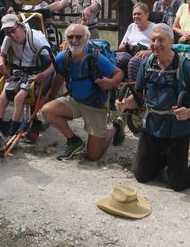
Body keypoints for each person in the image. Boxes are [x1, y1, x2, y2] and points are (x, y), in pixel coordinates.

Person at [115, 23, 190, 191]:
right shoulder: (146, 64)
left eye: (161, 40)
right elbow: (137, 96)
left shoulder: (184, 66)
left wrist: (188, 113)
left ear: (171, 42)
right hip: (152, 126)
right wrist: (125, 104)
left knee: (177, 183)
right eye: (153, 40)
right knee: (141, 175)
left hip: (177, 130)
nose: (156, 44)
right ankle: (166, 158)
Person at [36, 23, 124, 161]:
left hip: (95, 105)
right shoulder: (63, 57)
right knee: (47, 110)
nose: (74, 40)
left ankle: (115, 127)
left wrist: (111, 83)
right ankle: (73, 141)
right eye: (70, 37)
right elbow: (58, 78)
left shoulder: (96, 58)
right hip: (75, 101)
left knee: (93, 155)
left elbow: (119, 73)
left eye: (78, 37)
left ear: (86, 38)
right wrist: (51, 97)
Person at [0, 14, 50, 138]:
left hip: (33, 72)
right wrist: (1, 64)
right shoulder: (8, 37)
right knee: (3, 96)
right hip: (17, 71)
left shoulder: (36, 38)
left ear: (20, 26)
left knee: (18, 98)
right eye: (8, 33)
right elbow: (1, 55)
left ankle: (13, 131)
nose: (12, 35)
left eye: (13, 31)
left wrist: (43, 74)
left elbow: (53, 62)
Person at [115, 2, 154, 82]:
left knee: (134, 62)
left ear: (147, 15)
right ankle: (114, 84)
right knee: (116, 59)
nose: (136, 16)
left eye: (139, 14)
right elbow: (120, 47)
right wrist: (127, 45)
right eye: (134, 14)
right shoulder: (131, 26)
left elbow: (162, 48)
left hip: (147, 55)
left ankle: (134, 90)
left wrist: (148, 52)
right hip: (130, 52)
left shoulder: (155, 28)